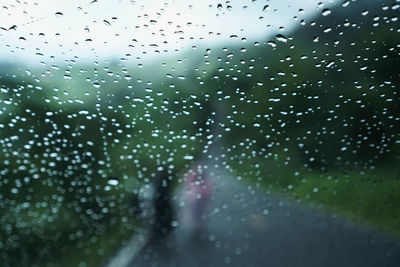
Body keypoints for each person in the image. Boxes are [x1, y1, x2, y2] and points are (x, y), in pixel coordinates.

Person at [181, 163, 214, 235]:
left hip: (199, 196)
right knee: (195, 210)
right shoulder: (192, 176)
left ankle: (197, 224)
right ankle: (195, 223)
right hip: (195, 197)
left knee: (199, 211)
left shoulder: (202, 178)